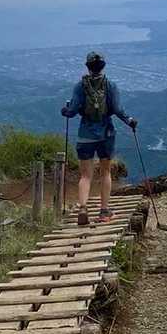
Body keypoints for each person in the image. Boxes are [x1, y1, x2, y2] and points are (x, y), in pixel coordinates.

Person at [61, 52, 137, 226]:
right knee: (106, 173)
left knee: (85, 176)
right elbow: (117, 110)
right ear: (103, 66)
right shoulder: (110, 85)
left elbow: (72, 111)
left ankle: (83, 208)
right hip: (106, 134)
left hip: (85, 135)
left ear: (87, 67)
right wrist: (130, 121)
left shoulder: (80, 86)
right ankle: (104, 211)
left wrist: (65, 111)